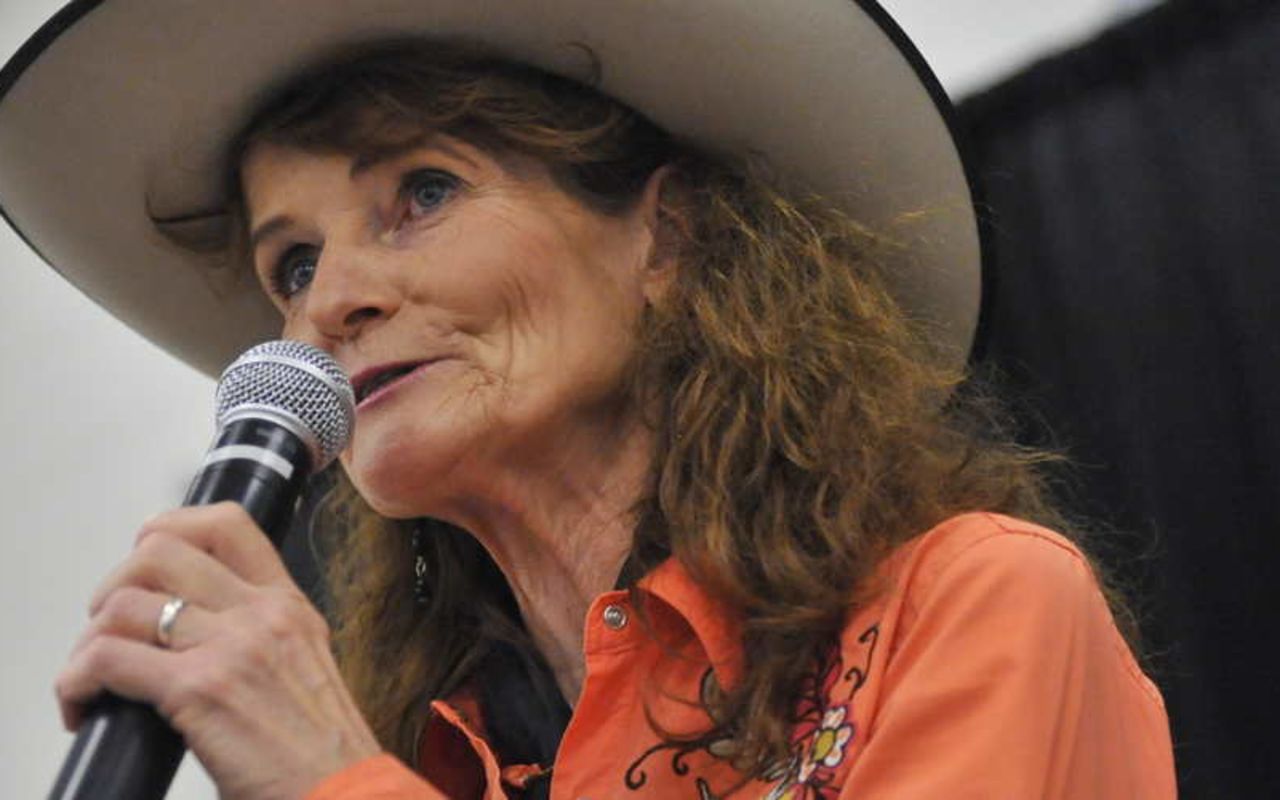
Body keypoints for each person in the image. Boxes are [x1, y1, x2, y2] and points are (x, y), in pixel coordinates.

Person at [0, 3, 1175, 798]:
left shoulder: (967, 604)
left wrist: (326, 771)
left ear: (666, 237)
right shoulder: (437, 757)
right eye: (291, 264)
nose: (332, 303)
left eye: (421, 191)